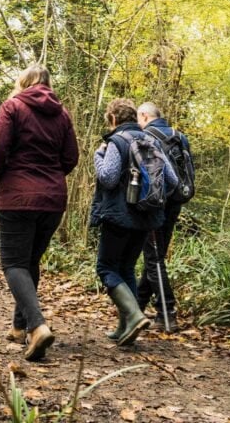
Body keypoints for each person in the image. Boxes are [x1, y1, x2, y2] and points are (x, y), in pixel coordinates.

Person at [0, 64, 79, 361]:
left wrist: (0, 175)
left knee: (14, 263)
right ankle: (19, 327)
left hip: (18, 196)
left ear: (23, 82)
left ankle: (38, 327)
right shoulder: (62, 114)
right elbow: (71, 157)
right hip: (52, 199)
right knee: (29, 262)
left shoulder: (12, 106)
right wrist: (50, 177)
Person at [91, 98, 177, 346]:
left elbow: (107, 177)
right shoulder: (152, 141)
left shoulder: (116, 142)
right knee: (126, 268)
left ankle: (134, 315)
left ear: (114, 119)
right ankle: (125, 327)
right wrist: (147, 202)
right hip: (147, 218)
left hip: (118, 217)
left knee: (106, 268)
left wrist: (99, 155)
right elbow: (170, 181)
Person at [136, 101, 191, 331]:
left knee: (154, 259)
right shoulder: (180, 136)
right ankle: (136, 309)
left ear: (144, 115)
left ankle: (167, 314)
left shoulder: (146, 137)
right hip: (176, 201)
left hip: (155, 205)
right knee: (155, 256)